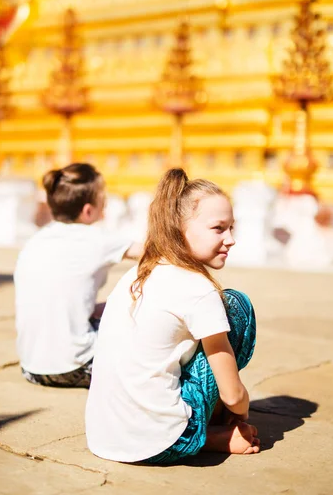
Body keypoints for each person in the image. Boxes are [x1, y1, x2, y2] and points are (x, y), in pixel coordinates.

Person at [85, 168, 259, 463]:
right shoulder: (198, 289)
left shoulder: (135, 274)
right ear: (179, 229)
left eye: (232, 228)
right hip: (163, 441)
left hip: (104, 435)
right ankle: (208, 431)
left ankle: (202, 427)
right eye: (218, 228)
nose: (230, 239)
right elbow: (233, 395)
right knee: (236, 306)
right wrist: (239, 414)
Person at [14, 162, 141, 388]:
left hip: (32, 368)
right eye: (105, 201)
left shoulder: (35, 241)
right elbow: (156, 252)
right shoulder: (97, 238)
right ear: (88, 210)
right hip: (78, 366)